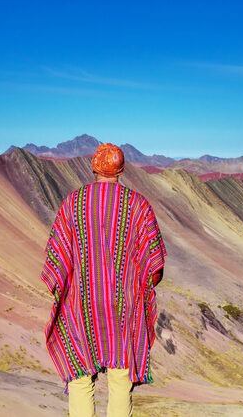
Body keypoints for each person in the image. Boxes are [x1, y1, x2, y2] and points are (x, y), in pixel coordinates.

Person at [41, 143, 167, 417]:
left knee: (80, 378)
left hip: (81, 306)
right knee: (121, 379)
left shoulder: (73, 203)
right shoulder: (138, 205)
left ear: (94, 167)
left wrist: (65, 289)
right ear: (121, 170)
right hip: (124, 307)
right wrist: (139, 287)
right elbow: (154, 262)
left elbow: (56, 257)